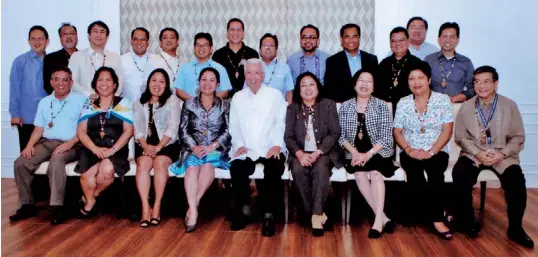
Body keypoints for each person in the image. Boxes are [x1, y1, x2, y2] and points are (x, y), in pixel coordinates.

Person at [452, 66, 534, 248]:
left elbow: (518, 137)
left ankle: (516, 228)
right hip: (474, 153)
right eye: (477, 82)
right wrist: (478, 152)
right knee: (460, 175)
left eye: (486, 81)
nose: (481, 86)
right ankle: (468, 222)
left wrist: (502, 154)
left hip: (502, 154)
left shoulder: (509, 105)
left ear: (495, 83)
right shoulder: (466, 107)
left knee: (516, 181)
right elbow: (461, 137)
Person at [9, 67, 86, 225]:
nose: (61, 83)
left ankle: (57, 207)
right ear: (51, 82)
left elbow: (84, 129)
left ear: (71, 83)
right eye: (56, 79)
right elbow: (39, 128)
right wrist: (29, 145)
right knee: (21, 162)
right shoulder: (45, 102)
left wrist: (69, 144)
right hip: (48, 142)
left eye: (65, 80)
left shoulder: (81, 100)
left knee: (56, 160)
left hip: (73, 143)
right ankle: (27, 205)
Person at [393, 61, 454, 240]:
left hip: (437, 150)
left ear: (428, 79)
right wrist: (409, 149)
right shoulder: (403, 102)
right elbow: (397, 131)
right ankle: (437, 212)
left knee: (435, 175)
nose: (416, 82)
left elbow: (447, 130)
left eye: (420, 77)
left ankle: (436, 220)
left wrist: (432, 152)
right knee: (415, 177)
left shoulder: (442, 100)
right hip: (409, 150)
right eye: (412, 78)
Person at [229, 58, 287, 237]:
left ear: (263, 75)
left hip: (271, 146)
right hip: (246, 148)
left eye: (256, 73)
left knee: (274, 168)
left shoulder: (275, 95)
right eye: (249, 73)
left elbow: (280, 123)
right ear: (244, 75)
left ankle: (269, 215)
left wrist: (277, 145)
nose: (252, 77)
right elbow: (234, 125)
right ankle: (245, 210)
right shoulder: (238, 97)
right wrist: (239, 145)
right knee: (237, 168)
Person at [169, 67, 231, 233]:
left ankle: (192, 208)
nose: (207, 83)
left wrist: (213, 146)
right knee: (191, 169)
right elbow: (183, 130)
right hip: (193, 148)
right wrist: (194, 147)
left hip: (215, 149)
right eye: (204, 79)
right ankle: (194, 209)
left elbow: (228, 130)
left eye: (212, 80)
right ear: (198, 82)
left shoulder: (225, 105)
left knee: (207, 166)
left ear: (217, 84)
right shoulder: (189, 104)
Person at [339, 69, 398, 238]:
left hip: (378, 153)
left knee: (375, 173)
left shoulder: (381, 105)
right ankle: (384, 218)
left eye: (369, 81)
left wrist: (368, 154)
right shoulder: (345, 106)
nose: (364, 84)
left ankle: (377, 222)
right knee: (359, 174)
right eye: (361, 80)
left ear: (374, 87)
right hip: (354, 153)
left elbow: (386, 137)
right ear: (354, 84)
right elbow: (341, 136)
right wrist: (355, 152)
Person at [284, 72, 341, 236]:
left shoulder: (328, 105)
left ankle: (314, 217)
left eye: (311, 84)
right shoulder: (292, 108)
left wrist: (318, 152)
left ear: (318, 87)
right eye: (303, 85)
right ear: (298, 89)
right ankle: (319, 214)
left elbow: (334, 133)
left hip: (324, 152)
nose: (308, 88)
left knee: (320, 169)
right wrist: (300, 154)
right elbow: (288, 136)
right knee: (298, 169)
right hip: (300, 152)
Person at [75, 67, 134, 217]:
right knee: (86, 175)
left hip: (116, 148)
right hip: (92, 147)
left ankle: (90, 197)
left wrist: (112, 150)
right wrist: (94, 149)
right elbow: (81, 131)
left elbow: (128, 131)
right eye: (100, 79)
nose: (104, 83)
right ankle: (90, 201)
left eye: (108, 80)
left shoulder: (124, 103)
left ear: (115, 85)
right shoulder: (90, 103)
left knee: (107, 171)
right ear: (95, 83)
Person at [133, 68, 181, 227]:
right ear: (148, 83)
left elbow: (173, 129)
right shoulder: (139, 101)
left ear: (166, 85)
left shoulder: (172, 100)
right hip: (144, 144)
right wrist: (146, 146)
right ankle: (145, 207)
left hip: (167, 144)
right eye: (154, 80)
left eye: (162, 81)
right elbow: (138, 128)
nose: (157, 84)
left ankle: (157, 206)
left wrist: (159, 147)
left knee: (160, 163)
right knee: (143, 165)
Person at [10, 25, 50, 152]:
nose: (37, 42)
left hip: (49, 118)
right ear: (28, 41)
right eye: (33, 39)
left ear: (47, 41)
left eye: (40, 39)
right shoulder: (20, 61)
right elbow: (14, 88)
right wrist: (15, 114)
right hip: (27, 117)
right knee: (27, 154)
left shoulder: (52, 60)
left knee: (45, 157)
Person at [324, 23, 378, 103]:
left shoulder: (371, 59)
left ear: (359, 38)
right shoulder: (332, 61)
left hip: (368, 106)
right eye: (347, 37)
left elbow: (376, 86)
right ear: (341, 39)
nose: (351, 40)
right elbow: (329, 89)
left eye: (354, 36)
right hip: (342, 107)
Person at [69, 20, 124, 97]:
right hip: (83, 102)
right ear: (89, 36)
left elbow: (119, 82)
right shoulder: (77, 56)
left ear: (107, 37)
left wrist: (111, 98)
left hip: (109, 104)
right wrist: (89, 95)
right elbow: (72, 81)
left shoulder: (114, 57)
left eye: (102, 32)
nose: (99, 35)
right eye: (95, 31)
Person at [424, 22, 474, 103]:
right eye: (444, 36)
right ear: (439, 39)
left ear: (458, 39)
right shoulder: (429, 60)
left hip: (457, 106)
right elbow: (421, 84)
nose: (448, 40)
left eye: (452, 37)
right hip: (432, 107)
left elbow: (472, 87)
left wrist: (461, 97)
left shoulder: (466, 62)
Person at [173, 32, 232, 101]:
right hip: (189, 108)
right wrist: (194, 102)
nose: (201, 48)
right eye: (198, 45)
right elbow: (178, 90)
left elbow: (225, 92)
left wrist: (208, 101)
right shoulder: (184, 68)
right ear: (194, 48)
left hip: (213, 108)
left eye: (205, 45)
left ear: (211, 49)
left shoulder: (220, 68)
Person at [375, 27, 422, 109]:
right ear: (390, 44)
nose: (397, 44)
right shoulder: (384, 63)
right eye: (394, 41)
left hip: (409, 109)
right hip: (385, 110)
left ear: (408, 42)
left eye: (401, 40)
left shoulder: (418, 64)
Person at [212, 18, 259, 97]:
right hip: (223, 100)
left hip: (248, 99)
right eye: (232, 30)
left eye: (238, 30)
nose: (235, 33)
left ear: (243, 34)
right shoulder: (218, 55)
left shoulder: (252, 54)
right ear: (227, 33)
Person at [256, 33, 294, 103]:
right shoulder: (253, 67)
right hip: (256, 109)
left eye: (271, 46)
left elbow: (289, 92)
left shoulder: (285, 68)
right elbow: (246, 90)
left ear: (276, 51)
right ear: (260, 51)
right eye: (265, 45)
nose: (268, 48)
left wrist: (290, 109)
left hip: (278, 109)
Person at [44, 23, 78, 94]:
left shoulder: (86, 57)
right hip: (59, 101)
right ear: (60, 38)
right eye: (65, 34)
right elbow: (48, 85)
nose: (68, 36)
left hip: (82, 101)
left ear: (76, 37)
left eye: (71, 34)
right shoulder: (50, 58)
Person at [121, 27, 153, 101]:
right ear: (131, 41)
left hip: (151, 108)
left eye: (143, 39)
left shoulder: (156, 60)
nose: (139, 42)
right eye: (136, 39)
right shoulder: (121, 60)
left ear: (148, 42)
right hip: (126, 108)